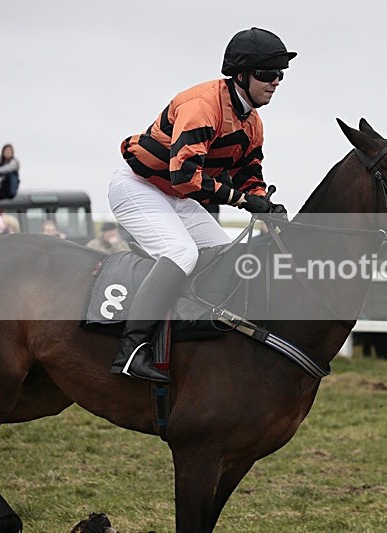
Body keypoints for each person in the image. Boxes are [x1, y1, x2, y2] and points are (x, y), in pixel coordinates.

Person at [108, 27, 294, 383]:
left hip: (175, 195)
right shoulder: (202, 106)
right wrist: (243, 201)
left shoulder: (252, 122)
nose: (276, 82)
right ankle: (131, 351)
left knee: (223, 253)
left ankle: (192, 335)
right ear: (241, 75)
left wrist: (266, 204)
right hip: (140, 187)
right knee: (182, 254)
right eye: (268, 74)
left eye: (280, 75)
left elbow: (248, 174)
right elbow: (185, 177)